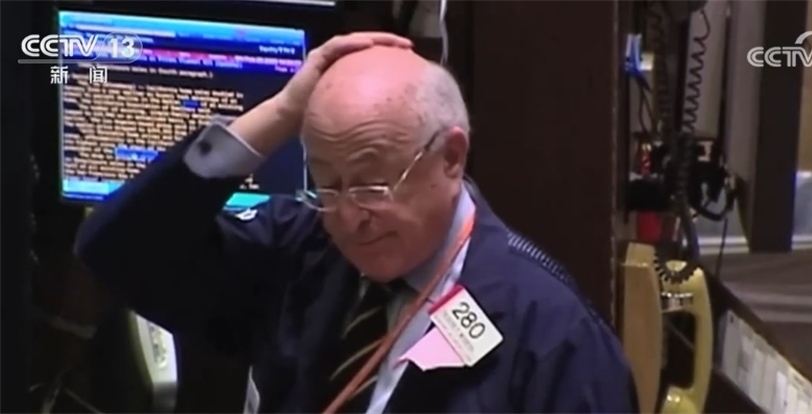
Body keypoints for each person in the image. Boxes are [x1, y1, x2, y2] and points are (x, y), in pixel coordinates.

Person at [75, 32, 637, 413]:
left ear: (451, 157)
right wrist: (281, 113)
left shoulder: (555, 337)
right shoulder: (300, 247)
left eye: (372, 186)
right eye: (328, 185)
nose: (348, 218)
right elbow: (117, 250)